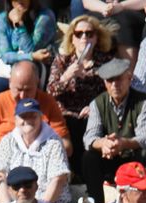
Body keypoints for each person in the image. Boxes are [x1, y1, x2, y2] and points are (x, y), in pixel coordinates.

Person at [83, 58, 146, 202]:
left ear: (129, 78)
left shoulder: (144, 102)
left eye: (119, 80)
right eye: (110, 81)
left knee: (145, 152)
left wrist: (123, 143)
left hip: (133, 157)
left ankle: (142, 200)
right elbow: (89, 138)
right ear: (105, 83)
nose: (115, 85)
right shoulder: (97, 104)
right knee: (89, 157)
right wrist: (103, 143)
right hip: (109, 157)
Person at [47, 15, 118, 158]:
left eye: (89, 33)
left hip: (94, 114)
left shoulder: (105, 61)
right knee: (67, 125)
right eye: (79, 34)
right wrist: (66, 77)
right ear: (72, 38)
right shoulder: (62, 61)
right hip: (66, 115)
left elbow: (113, 91)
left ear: (96, 38)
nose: (84, 37)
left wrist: (94, 106)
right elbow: (49, 92)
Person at [0, 98, 71, 203]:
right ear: (15, 120)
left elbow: (58, 179)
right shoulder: (7, 141)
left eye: (32, 116)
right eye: (23, 116)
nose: (28, 120)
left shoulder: (54, 142)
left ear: (41, 118)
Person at [0, 60, 70, 141]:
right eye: (18, 89)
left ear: (37, 84)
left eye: (28, 90)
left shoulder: (48, 102)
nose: (22, 96)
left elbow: (66, 144)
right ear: (10, 83)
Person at [0, 0, 57, 92]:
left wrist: (19, 24)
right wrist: (31, 56)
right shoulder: (2, 19)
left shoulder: (45, 16)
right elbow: (5, 56)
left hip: (35, 66)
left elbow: (30, 49)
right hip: (7, 68)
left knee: (25, 89)